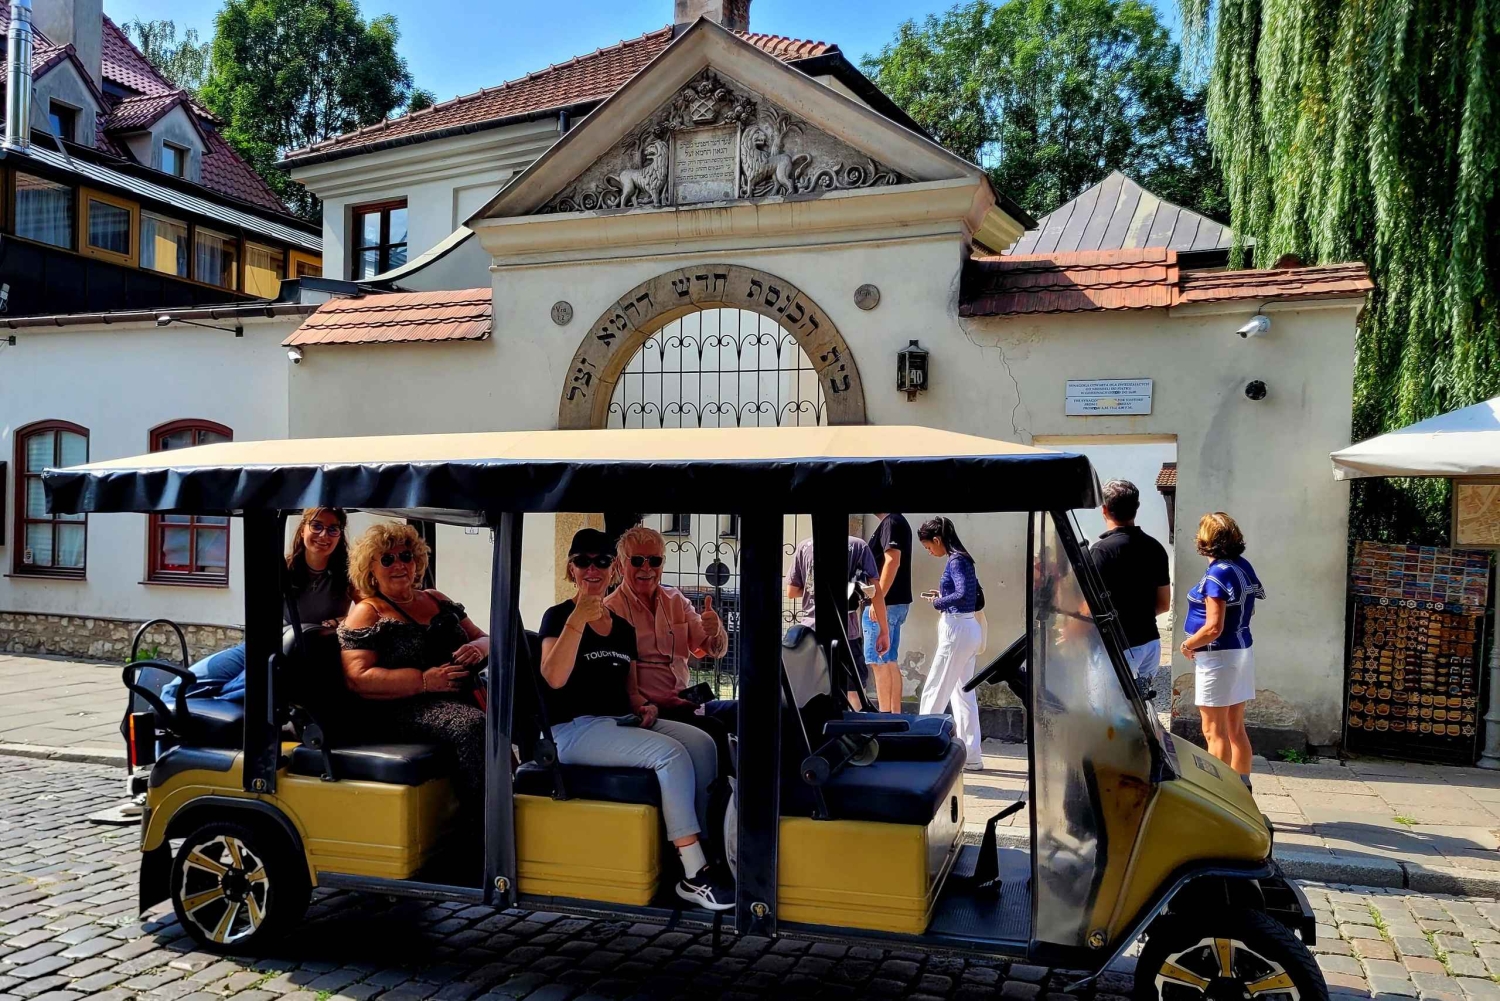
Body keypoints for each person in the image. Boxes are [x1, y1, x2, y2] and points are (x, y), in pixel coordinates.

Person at [541, 529, 730, 911]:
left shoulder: (622, 628)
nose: (592, 570)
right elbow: (553, 678)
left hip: (617, 721)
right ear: (571, 569)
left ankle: (704, 848)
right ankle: (694, 873)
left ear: (611, 568)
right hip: (573, 729)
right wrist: (578, 619)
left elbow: (630, 691)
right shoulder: (558, 616)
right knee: (671, 755)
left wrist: (644, 707)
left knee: (702, 744)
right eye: (583, 562)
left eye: (600, 562)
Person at [338, 523, 489, 811]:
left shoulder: (436, 599)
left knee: (515, 706)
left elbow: (483, 637)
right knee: (473, 725)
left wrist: (478, 648)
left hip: (462, 693)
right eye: (387, 559)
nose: (399, 565)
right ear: (370, 569)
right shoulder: (368, 612)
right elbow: (357, 678)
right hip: (400, 709)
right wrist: (424, 681)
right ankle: (481, 822)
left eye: (406, 556)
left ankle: (528, 798)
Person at [162, 508, 353, 704]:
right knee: (174, 691)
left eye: (333, 529)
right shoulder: (283, 567)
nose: (324, 535)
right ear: (303, 529)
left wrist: (340, 621)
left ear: (340, 535)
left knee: (234, 697)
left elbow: (368, 611)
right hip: (264, 644)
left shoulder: (349, 574)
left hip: (299, 658)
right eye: (317, 526)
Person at [604, 525, 731, 759]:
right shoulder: (610, 611)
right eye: (637, 561)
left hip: (686, 700)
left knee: (750, 712)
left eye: (655, 561)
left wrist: (716, 631)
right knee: (714, 730)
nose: (647, 568)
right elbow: (612, 682)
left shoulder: (676, 600)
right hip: (649, 709)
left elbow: (715, 650)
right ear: (621, 566)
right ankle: (724, 783)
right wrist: (652, 703)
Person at [1181, 512, 1265, 788]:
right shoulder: (1242, 565)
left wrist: (1188, 644)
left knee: (1213, 731)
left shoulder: (1217, 573)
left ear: (1204, 540)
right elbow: (1247, 610)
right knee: (1235, 728)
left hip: (1217, 655)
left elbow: (1213, 627)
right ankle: (1242, 788)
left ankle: (1217, 792)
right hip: (1240, 651)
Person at [1087, 480, 1171, 693]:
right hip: (1150, 644)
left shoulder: (1100, 552)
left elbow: (1087, 605)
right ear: (1137, 507)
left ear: (1104, 509)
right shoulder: (1155, 548)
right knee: (1140, 706)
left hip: (1118, 647)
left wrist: (1070, 632)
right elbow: (1164, 604)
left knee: (1106, 710)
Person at [786, 535, 888, 708]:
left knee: (813, 690)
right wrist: (884, 631)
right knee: (853, 689)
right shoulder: (858, 546)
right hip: (846, 629)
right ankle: (854, 724)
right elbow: (875, 590)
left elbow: (791, 591)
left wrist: (816, 590)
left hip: (811, 630)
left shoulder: (804, 547)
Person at [917, 517, 985, 771]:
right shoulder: (964, 558)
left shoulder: (955, 560)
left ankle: (921, 747)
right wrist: (944, 597)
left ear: (937, 540)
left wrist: (938, 602)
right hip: (968, 628)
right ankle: (972, 755)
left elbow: (962, 593)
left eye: (928, 547)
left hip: (956, 630)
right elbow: (967, 594)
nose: (929, 552)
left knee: (935, 690)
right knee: (963, 695)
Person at [864, 513, 913, 713]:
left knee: (878, 661)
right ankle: (894, 714)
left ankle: (884, 717)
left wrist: (878, 599)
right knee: (889, 660)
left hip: (887, 603)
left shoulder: (891, 522)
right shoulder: (896, 521)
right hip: (895, 603)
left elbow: (892, 561)